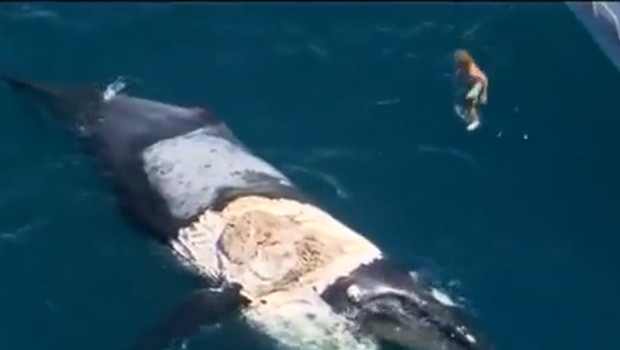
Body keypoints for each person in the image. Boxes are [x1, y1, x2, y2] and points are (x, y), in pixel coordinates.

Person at [453, 49, 488, 131]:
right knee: (464, 98)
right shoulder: (463, 68)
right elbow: (460, 73)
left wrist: (484, 95)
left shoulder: (472, 71)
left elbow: (484, 79)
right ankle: (469, 115)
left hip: (478, 84)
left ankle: (476, 121)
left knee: (470, 100)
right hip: (471, 82)